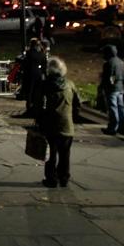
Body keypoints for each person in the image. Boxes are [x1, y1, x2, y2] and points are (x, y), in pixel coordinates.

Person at [36, 56, 79, 188]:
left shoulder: (45, 85)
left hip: (50, 124)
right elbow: (77, 104)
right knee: (65, 154)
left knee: (51, 154)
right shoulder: (70, 84)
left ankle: (51, 179)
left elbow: (38, 104)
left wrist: (39, 120)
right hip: (67, 124)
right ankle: (64, 178)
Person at [100, 44, 124, 135]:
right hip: (120, 87)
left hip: (112, 88)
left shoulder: (108, 63)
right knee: (121, 107)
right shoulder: (121, 62)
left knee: (113, 108)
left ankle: (112, 127)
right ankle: (122, 126)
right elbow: (123, 75)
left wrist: (104, 86)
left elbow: (109, 77)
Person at [23, 38, 47, 116]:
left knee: (30, 92)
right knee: (37, 91)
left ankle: (29, 107)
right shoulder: (41, 53)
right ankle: (37, 107)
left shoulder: (29, 53)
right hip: (39, 74)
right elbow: (44, 64)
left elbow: (26, 64)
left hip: (30, 74)